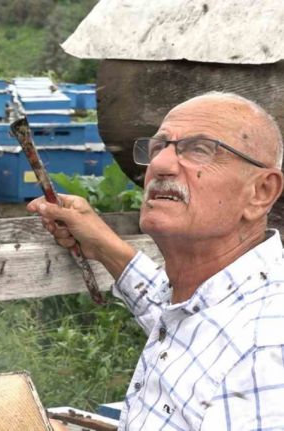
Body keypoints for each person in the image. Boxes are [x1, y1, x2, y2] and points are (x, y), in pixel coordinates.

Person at [28, 92, 284, 430]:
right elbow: (178, 315)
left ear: (261, 192)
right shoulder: (211, 301)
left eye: (200, 149)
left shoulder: (266, 350)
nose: (160, 165)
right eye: (158, 147)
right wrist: (103, 244)